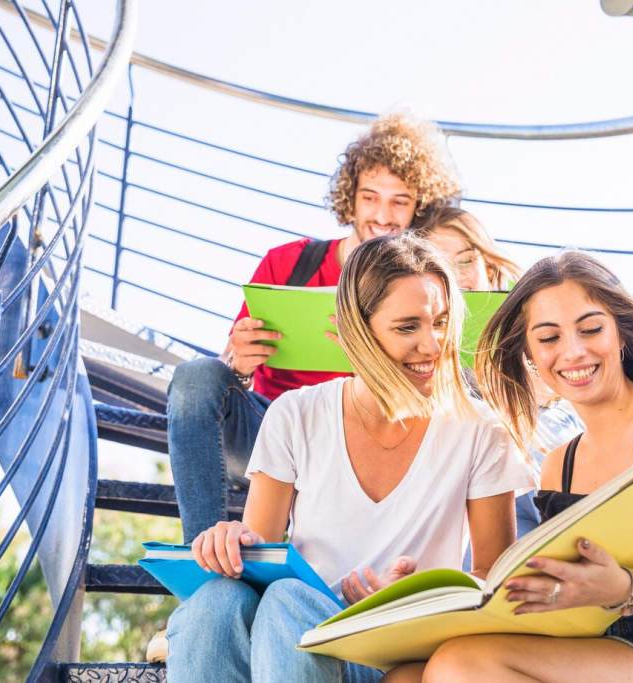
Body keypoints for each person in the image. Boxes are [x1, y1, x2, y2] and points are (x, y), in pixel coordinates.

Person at [164, 233, 535, 683]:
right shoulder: (295, 413)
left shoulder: (480, 429)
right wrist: (228, 541)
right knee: (215, 603)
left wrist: (420, 596)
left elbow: (492, 581)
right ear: (357, 332)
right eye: (407, 327)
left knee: (287, 604)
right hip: (289, 641)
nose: (434, 345)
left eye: (440, 322)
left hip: (392, 647)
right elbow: (258, 556)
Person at [385, 251, 633, 683]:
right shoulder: (557, 465)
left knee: (462, 665)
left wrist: (627, 588)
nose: (573, 351)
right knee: (406, 676)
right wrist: (427, 603)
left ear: (621, 333)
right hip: (608, 643)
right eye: (549, 338)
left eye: (590, 329)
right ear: (529, 354)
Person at [167, 113, 462, 544]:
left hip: (363, 443)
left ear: (419, 207)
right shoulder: (287, 263)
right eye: (370, 197)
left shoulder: (427, 289)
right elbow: (226, 379)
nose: (383, 215)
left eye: (400, 201)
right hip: (270, 432)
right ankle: (205, 552)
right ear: (351, 198)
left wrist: (371, 355)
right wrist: (240, 364)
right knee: (195, 376)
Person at [413, 205, 583, 542]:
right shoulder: (418, 353)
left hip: (534, 451)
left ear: (489, 268)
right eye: (440, 268)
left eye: (465, 261)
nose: (457, 277)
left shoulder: (534, 327)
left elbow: (563, 400)